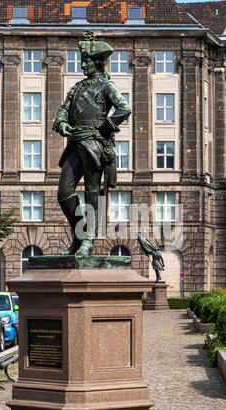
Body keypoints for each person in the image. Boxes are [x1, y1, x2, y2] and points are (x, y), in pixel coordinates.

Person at [53, 32, 131, 257]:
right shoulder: (77, 87)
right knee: (63, 193)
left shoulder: (106, 86)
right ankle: (79, 235)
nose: (82, 65)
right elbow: (63, 110)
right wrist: (61, 124)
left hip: (95, 145)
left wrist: (103, 129)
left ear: (96, 63)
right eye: (82, 61)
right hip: (75, 142)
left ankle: (87, 241)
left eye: (86, 62)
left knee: (92, 194)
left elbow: (124, 108)